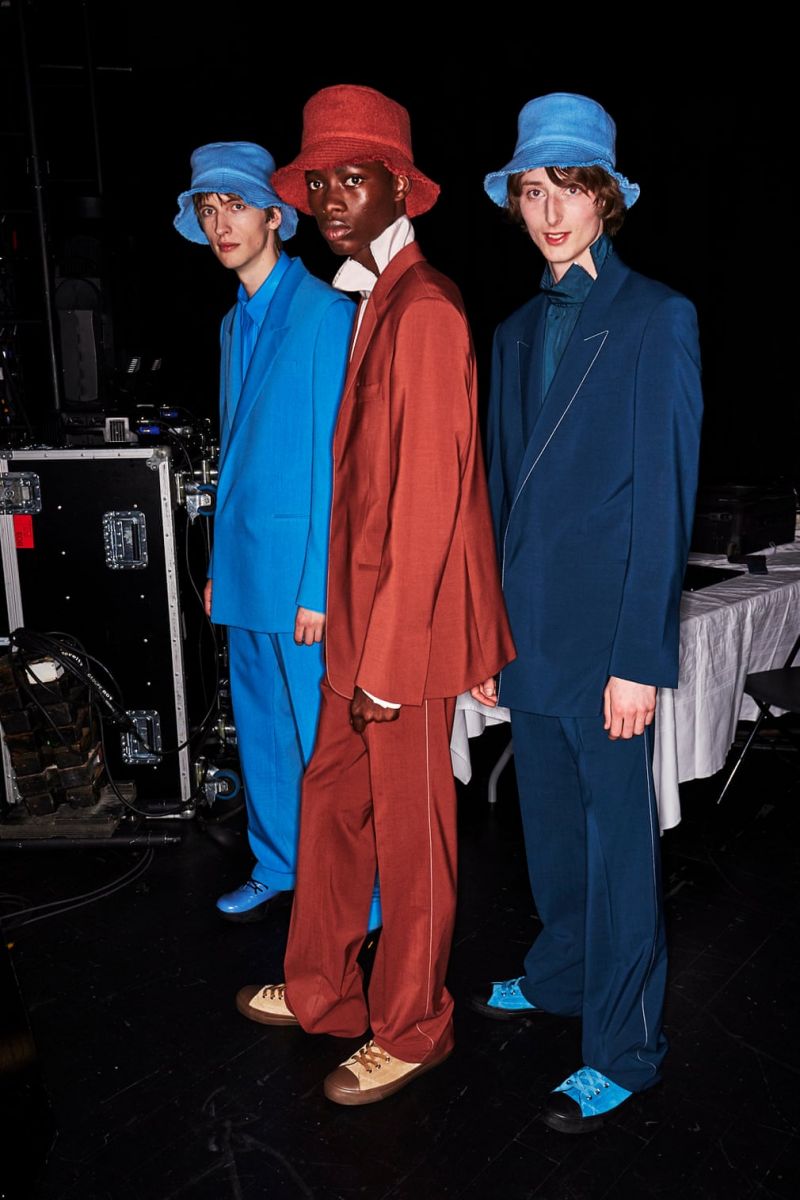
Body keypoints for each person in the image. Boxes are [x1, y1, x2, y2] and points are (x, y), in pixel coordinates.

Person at [234, 85, 516, 1105]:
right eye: (317, 182)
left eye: (351, 179)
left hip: (404, 639)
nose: (328, 200)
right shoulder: (372, 302)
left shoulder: (425, 309)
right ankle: (323, 989)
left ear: (400, 186)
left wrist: (391, 666)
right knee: (330, 808)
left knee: (412, 836)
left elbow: (433, 505)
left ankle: (412, 1025)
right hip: (355, 628)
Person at [471, 93, 703, 1132]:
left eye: (569, 188)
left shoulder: (656, 317)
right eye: (533, 191)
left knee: (619, 855)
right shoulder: (514, 332)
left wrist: (637, 658)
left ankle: (624, 1047)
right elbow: (496, 497)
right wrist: (486, 635)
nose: (551, 212)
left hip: (608, 645)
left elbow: (663, 501)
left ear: (604, 199)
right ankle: (561, 975)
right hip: (526, 637)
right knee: (551, 836)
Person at [174, 141, 364, 923]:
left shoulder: (325, 312)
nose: (221, 223)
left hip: (300, 579)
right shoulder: (231, 323)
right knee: (260, 731)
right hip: (248, 569)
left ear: (276, 216)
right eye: (208, 210)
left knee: (326, 743)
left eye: (236, 207)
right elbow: (236, 456)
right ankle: (278, 862)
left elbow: (336, 462)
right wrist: (220, 564)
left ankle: (358, 891)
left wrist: (319, 584)